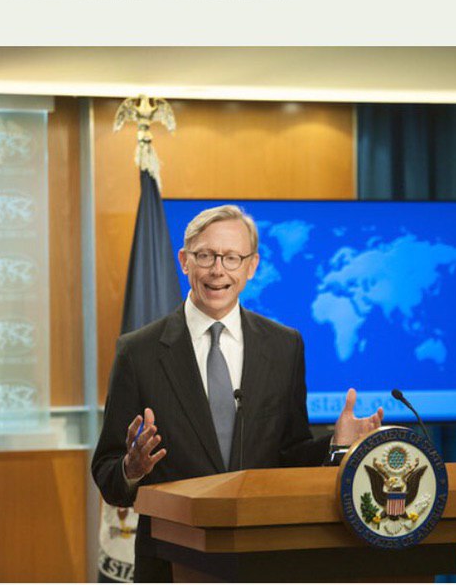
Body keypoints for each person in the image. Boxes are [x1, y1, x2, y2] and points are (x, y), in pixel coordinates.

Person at [92, 205, 384, 582]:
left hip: (263, 557)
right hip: (173, 561)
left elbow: (289, 454)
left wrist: (335, 444)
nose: (218, 270)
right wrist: (131, 469)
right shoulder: (138, 352)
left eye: (232, 257)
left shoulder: (284, 346)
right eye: (205, 256)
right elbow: (107, 470)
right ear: (184, 261)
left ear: (251, 266)